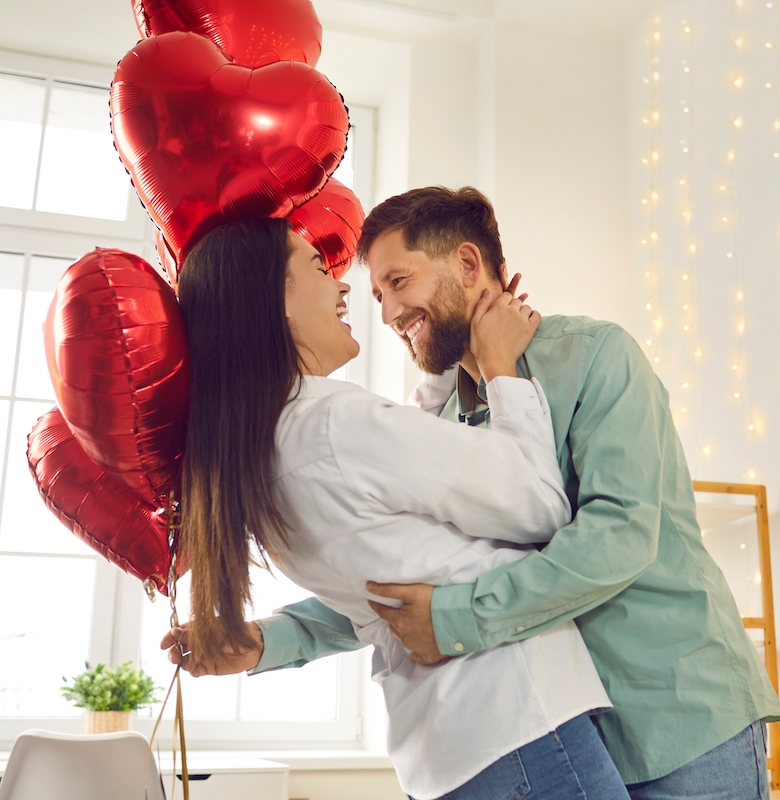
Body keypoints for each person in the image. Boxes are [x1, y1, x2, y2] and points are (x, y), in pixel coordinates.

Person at [249, 187, 780, 800]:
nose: (389, 313)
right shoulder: (446, 421)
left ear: (469, 266)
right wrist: (270, 640)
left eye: (399, 282)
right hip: (571, 739)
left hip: (680, 718)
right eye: (377, 295)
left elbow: (620, 538)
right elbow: (410, 580)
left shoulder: (596, 357)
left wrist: (454, 619)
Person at [161, 217, 629, 800]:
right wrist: (500, 368)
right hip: (517, 724)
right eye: (317, 267)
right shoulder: (333, 423)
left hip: (443, 751)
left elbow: (398, 522)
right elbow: (537, 504)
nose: (347, 290)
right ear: (273, 302)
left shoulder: (261, 451)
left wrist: (445, 366)